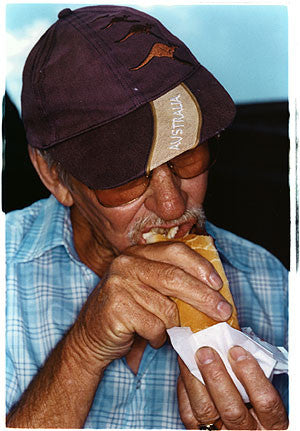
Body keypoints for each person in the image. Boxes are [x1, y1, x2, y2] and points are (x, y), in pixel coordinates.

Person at [5, 5, 288, 429]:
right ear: (53, 176)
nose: (173, 206)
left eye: (188, 155)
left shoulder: (275, 287)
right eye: (124, 177)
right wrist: (83, 349)